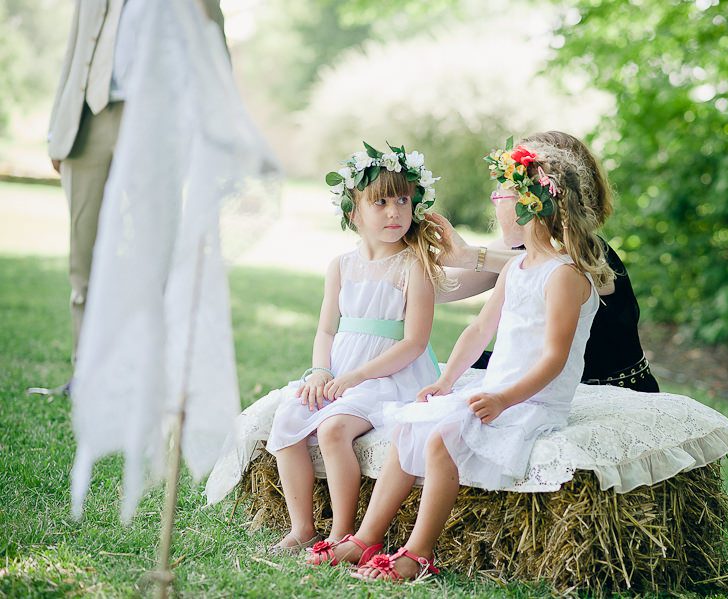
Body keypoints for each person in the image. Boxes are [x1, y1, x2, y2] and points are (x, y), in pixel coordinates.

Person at [306, 132, 611, 580]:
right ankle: (365, 536)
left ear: (531, 203)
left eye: (500, 195)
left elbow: (553, 358)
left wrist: (504, 400)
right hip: (497, 391)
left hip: (532, 401)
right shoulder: (517, 267)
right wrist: (447, 380)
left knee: (440, 440)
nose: (494, 204)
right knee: (410, 427)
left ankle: (417, 552)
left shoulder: (563, 275)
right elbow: (477, 329)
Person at [260, 144, 451, 563]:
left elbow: (414, 342)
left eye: (402, 200)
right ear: (353, 213)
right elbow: (327, 328)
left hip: (390, 375)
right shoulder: (341, 265)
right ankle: (302, 528)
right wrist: (318, 372)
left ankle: (343, 532)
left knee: (332, 430)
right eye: (379, 202)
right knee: (288, 418)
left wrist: (356, 377)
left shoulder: (412, 265)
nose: (394, 212)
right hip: (341, 371)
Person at [45, 0, 225, 393]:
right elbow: (76, 48)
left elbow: (213, 41)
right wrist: (57, 126)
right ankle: (86, 375)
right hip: (85, 123)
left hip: (154, 125)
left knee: (153, 252)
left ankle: (147, 374)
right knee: (83, 252)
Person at [429, 131, 660, 392]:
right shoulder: (518, 248)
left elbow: (559, 269)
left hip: (614, 388)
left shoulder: (591, 251)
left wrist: (473, 256)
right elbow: (442, 288)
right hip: (549, 383)